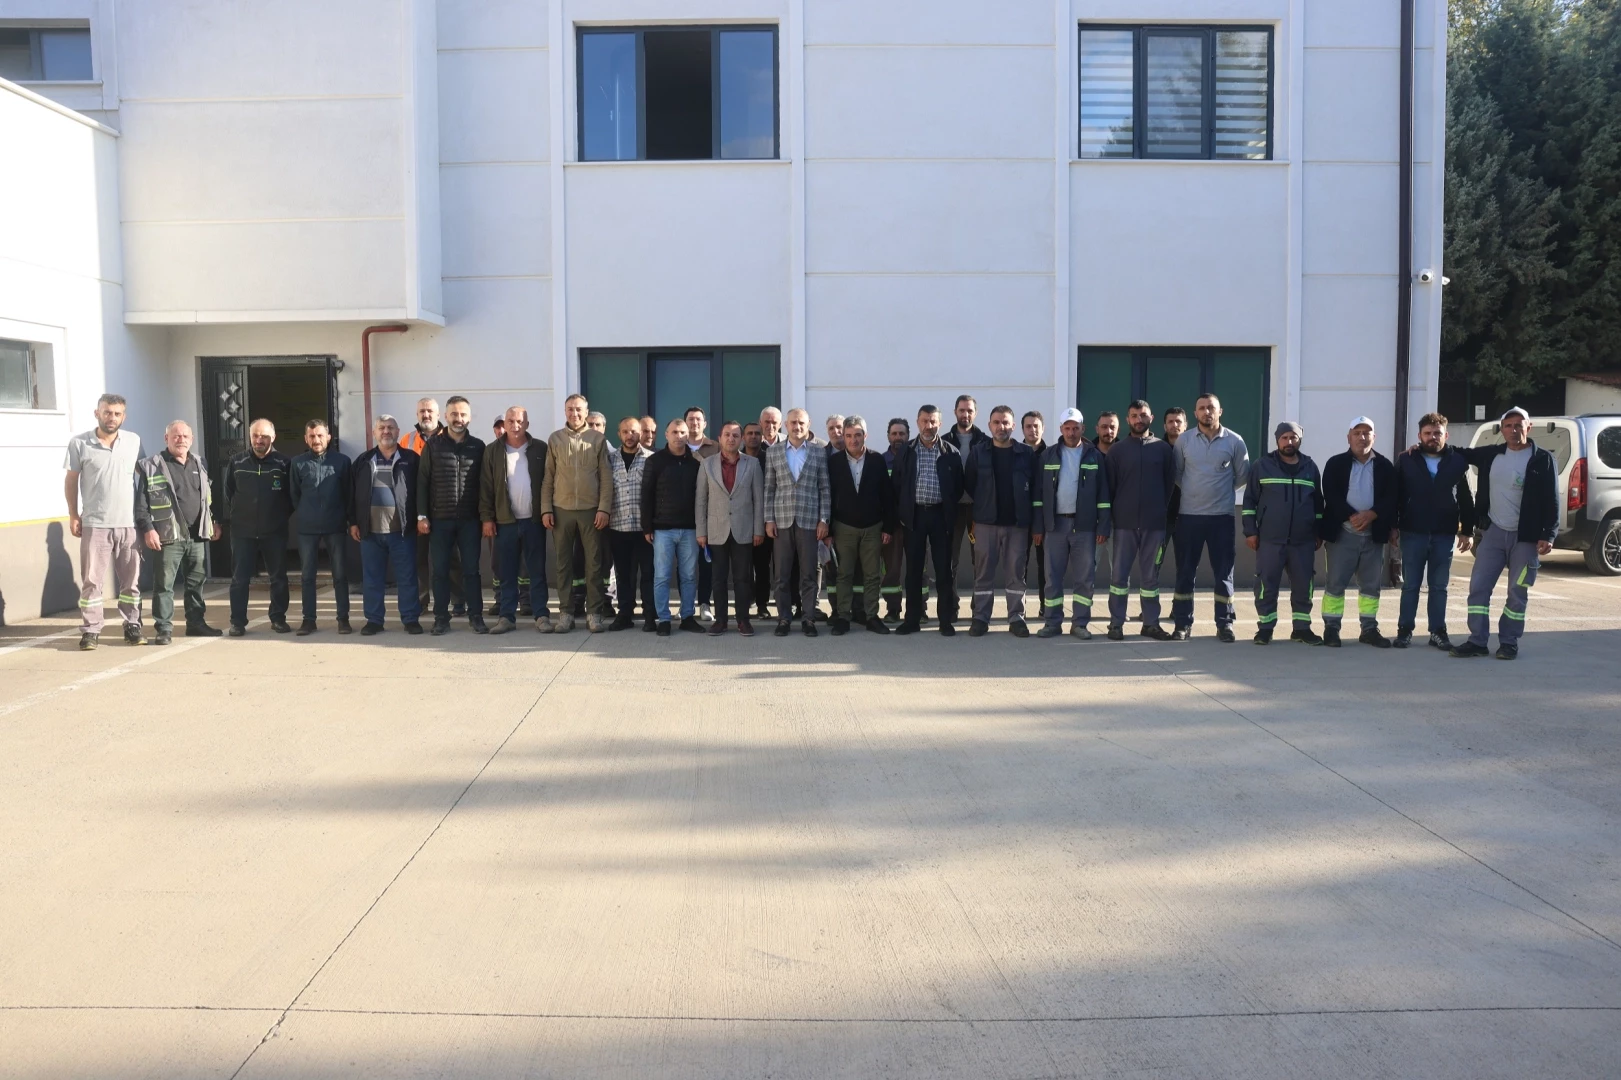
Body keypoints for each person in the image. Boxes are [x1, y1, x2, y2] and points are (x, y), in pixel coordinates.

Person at [1450, 407, 1560, 660]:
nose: (1513, 430)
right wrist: (1424, 447)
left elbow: (1552, 500)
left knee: (1517, 593)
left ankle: (1509, 642)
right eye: (1508, 426)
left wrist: (1549, 534)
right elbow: (1459, 452)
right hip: (1493, 533)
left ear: (1528, 427)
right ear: (1502, 429)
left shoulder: (1543, 459)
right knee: (1478, 588)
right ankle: (1477, 641)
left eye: (1519, 425)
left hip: (1526, 538)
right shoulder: (1491, 454)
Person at [64, 394, 146, 649]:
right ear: (97, 413)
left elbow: (145, 478)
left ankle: (132, 625)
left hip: (129, 525)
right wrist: (73, 514)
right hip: (95, 524)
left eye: (117, 413)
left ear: (124, 417)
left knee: (131, 582)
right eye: (107, 412)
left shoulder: (134, 441)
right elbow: (71, 480)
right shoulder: (79, 443)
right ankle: (91, 630)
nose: (112, 418)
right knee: (92, 582)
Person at [1391, 412, 1475, 649]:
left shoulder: (1457, 461)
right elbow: (1395, 496)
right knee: (1411, 586)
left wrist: (1467, 530)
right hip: (1412, 532)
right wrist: (1392, 527)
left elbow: (1466, 498)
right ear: (1419, 436)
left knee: (1439, 587)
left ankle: (1438, 632)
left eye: (1437, 433)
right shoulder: (1406, 460)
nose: (1432, 437)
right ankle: (1404, 631)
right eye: (1427, 433)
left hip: (1444, 534)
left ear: (1446, 435)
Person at [1169, 394, 1249, 642]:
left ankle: (1225, 624)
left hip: (1221, 517)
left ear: (1220, 411)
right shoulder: (1184, 441)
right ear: (1195, 413)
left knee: (1224, 574)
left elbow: (1242, 476)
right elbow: (1177, 474)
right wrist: (1196, 492)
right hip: (1189, 517)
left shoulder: (1235, 441)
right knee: (1185, 572)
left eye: (1211, 407)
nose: (1207, 412)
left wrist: (1220, 492)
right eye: (1202, 408)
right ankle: (1182, 624)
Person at [136, 420, 220, 645]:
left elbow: (207, 498)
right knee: (164, 586)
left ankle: (196, 624)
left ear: (191, 439)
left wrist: (213, 522)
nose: (181, 439)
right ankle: (164, 629)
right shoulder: (153, 465)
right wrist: (148, 530)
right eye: (176, 435)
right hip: (167, 535)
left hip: (197, 535)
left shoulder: (200, 463)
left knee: (196, 583)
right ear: (167, 438)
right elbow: (141, 504)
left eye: (185, 436)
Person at [1244, 421, 1324, 645]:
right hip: (1270, 539)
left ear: (1299, 440)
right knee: (1266, 585)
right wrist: (1250, 531)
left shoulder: (1310, 467)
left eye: (1293, 438)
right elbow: (1249, 501)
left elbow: (1318, 503)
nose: (1289, 442)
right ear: (1277, 440)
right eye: (1284, 438)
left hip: (1303, 540)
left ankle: (1301, 629)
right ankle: (1265, 628)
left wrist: (1318, 531)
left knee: (1303, 585)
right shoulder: (1262, 466)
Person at [1103, 400, 1177, 641]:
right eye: (1134, 415)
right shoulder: (1117, 451)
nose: (1138, 419)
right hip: (1123, 525)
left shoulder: (1163, 450)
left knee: (1150, 577)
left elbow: (1169, 486)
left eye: (1143, 415)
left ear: (1151, 418)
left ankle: (1151, 624)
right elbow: (1109, 488)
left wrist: (1158, 510)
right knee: (1118, 578)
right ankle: (1116, 624)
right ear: (1127, 419)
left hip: (1154, 525)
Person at [1320, 417, 1396, 648]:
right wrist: (1352, 516)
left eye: (1367, 433)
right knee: (1335, 585)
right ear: (1349, 437)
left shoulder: (1385, 466)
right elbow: (1330, 493)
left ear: (1374, 437)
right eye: (1357, 433)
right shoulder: (1335, 463)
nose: (1362, 437)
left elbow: (1392, 497)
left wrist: (1372, 514)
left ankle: (1369, 629)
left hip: (1374, 535)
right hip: (1342, 534)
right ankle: (1331, 628)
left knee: (1371, 587)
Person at [1035, 409, 1110, 639]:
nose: (1071, 432)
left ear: (1082, 429)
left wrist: (1103, 526)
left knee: (1084, 579)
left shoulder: (1094, 456)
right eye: (1067, 428)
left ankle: (1080, 624)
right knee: (1052, 578)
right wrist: (1038, 527)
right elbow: (1038, 496)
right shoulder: (1048, 455)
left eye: (1075, 428)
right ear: (1061, 429)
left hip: (1084, 527)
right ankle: (1052, 623)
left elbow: (1103, 495)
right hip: (1055, 526)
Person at [541, 393, 613, 632]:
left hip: (591, 510)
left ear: (586, 411)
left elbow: (606, 477)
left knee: (594, 564)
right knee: (563, 564)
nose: (575, 413)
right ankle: (566, 613)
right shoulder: (555, 439)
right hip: (561, 510)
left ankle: (594, 613)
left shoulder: (597, 439)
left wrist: (603, 508)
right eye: (570, 409)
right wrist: (546, 509)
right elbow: (548, 477)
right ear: (565, 411)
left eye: (579, 409)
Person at [963, 405, 1037, 637]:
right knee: (983, 573)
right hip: (986, 524)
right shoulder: (979, 452)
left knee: (1016, 573)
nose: (1001, 427)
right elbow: (970, 483)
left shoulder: (1026, 453)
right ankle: (981, 618)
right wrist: (985, 504)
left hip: (1017, 525)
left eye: (1005, 422)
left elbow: (1035, 487)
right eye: (996, 422)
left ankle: (1016, 618)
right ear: (989, 425)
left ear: (1013, 426)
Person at [416, 395, 487, 635]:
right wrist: (422, 515)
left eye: (463, 414)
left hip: (470, 520)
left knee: (471, 571)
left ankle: (476, 616)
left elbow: (485, 484)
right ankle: (441, 619)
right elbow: (422, 482)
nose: (459, 419)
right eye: (454, 414)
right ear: (445, 416)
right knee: (440, 571)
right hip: (440, 520)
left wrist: (485, 517)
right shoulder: (433, 446)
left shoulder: (478, 447)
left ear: (469, 417)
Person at [891, 405, 963, 636]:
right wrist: (903, 512)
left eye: (932, 422)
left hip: (940, 516)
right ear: (918, 422)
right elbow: (897, 484)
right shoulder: (906, 451)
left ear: (939, 424)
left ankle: (945, 621)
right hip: (914, 517)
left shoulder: (951, 452)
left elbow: (958, 486)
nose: (928, 426)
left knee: (944, 570)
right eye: (924, 421)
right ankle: (912, 619)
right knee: (913, 571)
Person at [349, 415, 422, 635]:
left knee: (407, 577)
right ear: (374, 433)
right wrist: (353, 522)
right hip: (370, 531)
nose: (386, 431)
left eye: (390, 427)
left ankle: (410, 619)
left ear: (398, 432)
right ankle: (374, 620)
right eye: (381, 428)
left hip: (402, 530)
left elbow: (421, 491)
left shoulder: (411, 459)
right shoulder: (363, 461)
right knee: (372, 578)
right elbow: (352, 494)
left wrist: (420, 518)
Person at [480, 406, 549, 634]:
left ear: (527, 424)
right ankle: (506, 617)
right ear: (504, 424)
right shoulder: (492, 450)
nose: (515, 425)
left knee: (537, 571)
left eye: (520, 421)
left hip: (534, 521)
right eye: (510, 421)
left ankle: (541, 615)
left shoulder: (540, 448)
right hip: (505, 522)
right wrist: (487, 518)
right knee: (506, 572)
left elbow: (549, 482)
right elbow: (486, 487)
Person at [826, 416, 896, 635]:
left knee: (872, 575)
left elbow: (887, 495)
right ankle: (843, 617)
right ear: (844, 436)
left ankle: (872, 616)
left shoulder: (876, 460)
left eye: (857, 435)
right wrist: (828, 530)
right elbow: (829, 497)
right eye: (848, 436)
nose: (853, 440)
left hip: (872, 527)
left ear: (865, 435)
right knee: (844, 574)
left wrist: (888, 527)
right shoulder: (834, 462)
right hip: (844, 527)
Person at [764, 407, 831, 637]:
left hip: (810, 521)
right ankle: (784, 618)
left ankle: (808, 619)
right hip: (781, 521)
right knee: (781, 575)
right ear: (786, 425)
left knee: (809, 574)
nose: (797, 426)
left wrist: (824, 520)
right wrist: (769, 519)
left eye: (801, 422)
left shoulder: (818, 452)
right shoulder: (773, 452)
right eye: (793, 422)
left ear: (808, 424)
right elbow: (769, 488)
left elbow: (824, 488)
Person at [224, 418, 293, 636]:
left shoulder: (284, 463)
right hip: (242, 532)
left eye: (264, 436)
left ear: (273, 437)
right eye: (255, 435)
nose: (259, 440)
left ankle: (278, 618)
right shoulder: (237, 462)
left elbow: (291, 496)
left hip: (274, 532)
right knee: (239, 579)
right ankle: (237, 622)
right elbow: (229, 493)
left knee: (278, 578)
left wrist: (278, 517)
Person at [696, 421, 766, 636]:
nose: (731, 439)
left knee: (742, 578)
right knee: (718, 579)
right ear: (719, 438)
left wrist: (758, 530)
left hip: (743, 530)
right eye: (727, 434)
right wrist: (701, 531)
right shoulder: (707, 464)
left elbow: (758, 500)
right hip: (716, 530)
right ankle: (721, 621)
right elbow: (701, 500)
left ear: (741, 439)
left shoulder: (752, 464)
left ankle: (743, 620)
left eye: (735, 435)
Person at [289, 420, 352, 635]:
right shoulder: (297, 463)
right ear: (306, 439)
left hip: (336, 526)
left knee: (340, 575)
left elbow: (348, 493)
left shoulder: (342, 462)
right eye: (312, 436)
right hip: (307, 527)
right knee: (307, 576)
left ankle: (343, 619)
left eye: (320, 435)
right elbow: (294, 494)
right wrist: (305, 512)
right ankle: (309, 620)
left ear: (328, 437)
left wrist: (348, 520)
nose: (316, 440)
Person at [642, 418, 704, 636]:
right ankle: (664, 619)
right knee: (661, 576)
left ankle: (687, 617)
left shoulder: (696, 464)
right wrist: (647, 527)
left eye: (683, 432)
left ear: (688, 435)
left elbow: (701, 497)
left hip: (690, 529)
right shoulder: (655, 461)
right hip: (662, 529)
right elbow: (646, 495)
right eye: (675, 432)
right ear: (666, 435)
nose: (679, 436)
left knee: (689, 576)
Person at [400, 397, 450, 613]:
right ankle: (421, 601)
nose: (426, 415)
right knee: (418, 558)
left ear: (439, 415)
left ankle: (457, 601)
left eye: (430, 411)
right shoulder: (407, 439)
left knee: (451, 558)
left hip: (445, 507)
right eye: (422, 411)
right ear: (417, 414)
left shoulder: (450, 437)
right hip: (415, 509)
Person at [608, 415, 655, 631]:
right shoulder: (610, 460)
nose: (630, 435)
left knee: (648, 574)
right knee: (623, 575)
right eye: (625, 431)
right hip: (618, 527)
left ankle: (649, 614)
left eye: (634, 431)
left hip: (644, 529)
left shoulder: (651, 459)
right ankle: (625, 614)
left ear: (641, 433)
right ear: (619, 434)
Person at [947, 395, 989, 586]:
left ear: (976, 413)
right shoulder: (944, 442)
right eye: (962, 410)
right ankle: (951, 601)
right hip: (952, 508)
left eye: (970, 410)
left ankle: (978, 602)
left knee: (979, 559)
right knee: (949, 558)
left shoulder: (986, 442)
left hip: (978, 508)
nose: (965, 414)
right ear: (955, 412)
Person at [683, 406, 720, 620]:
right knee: (686, 565)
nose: (694, 423)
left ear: (704, 424)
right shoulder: (677, 445)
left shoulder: (715, 447)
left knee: (707, 563)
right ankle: (685, 604)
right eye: (690, 419)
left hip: (709, 514)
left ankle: (705, 603)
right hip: (683, 514)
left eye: (698, 419)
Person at [879, 418, 911, 622]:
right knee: (891, 570)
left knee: (919, 569)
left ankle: (919, 609)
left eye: (902, 434)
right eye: (894, 434)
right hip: (891, 526)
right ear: (888, 436)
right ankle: (893, 610)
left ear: (908, 436)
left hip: (915, 523)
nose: (898, 437)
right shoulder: (880, 461)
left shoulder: (916, 458)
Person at [743, 420, 775, 619]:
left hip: (764, 521)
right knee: (743, 568)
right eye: (750, 433)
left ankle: (762, 605)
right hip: (740, 521)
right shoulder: (735, 458)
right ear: (743, 437)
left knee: (763, 567)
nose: (753, 437)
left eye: (757, 433)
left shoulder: (769, 458)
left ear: (762, 437)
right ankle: (745, 603)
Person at [1021, 410, 1048, 618]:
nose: (1032, 430)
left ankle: (1045, 605)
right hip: (1020, 519)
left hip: (1046, 520)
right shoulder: (1015, 452)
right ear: (1022, 429)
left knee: (1045, 566)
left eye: (1036, 426)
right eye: (1028, 426)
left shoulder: (1052, 454)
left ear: (1043, 428)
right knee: (1019, 566)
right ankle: (1018, 608)